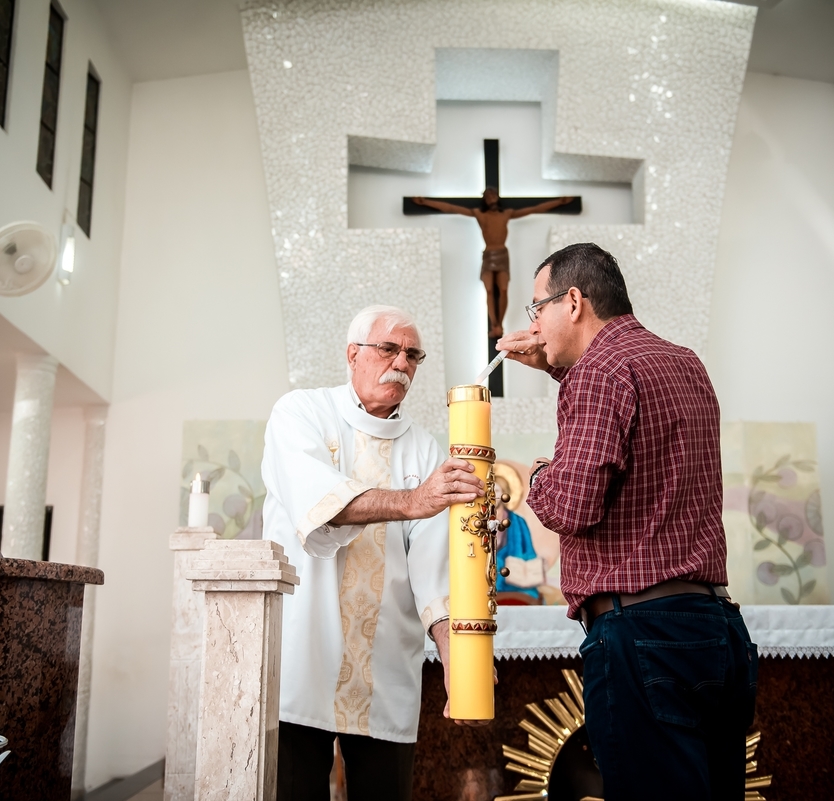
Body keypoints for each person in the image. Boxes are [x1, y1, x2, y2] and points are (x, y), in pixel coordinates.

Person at [497, 243, 758, 801]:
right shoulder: (685, 362)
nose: (534, 326)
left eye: (535, 309)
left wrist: (541, 477)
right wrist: (557, 371)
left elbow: (571, 507)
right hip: (714, 626)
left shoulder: (599, 372)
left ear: (572, 301)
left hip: (643, 634)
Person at [262, 305, 487, 801]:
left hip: (385, 663)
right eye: (389, 348)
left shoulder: (425, 449)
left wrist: (456, 657)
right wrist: (413, 501)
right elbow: (317, 502)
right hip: (302, 652)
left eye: (413, 354)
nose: (402, 363)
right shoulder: (300, 413)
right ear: (353, 354)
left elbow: (436, 571)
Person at [412, 188, 572, 338]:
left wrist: (559, 202)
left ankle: (499, 325)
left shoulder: (506, 214)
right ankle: (494, 324)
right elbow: (451, 208)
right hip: (489, 254)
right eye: (488, 197)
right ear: (485, 201)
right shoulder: (480, 214)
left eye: (493, 195)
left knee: (502, 289)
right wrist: (426, 202)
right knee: (489, 290)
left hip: (502, 254)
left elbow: (534, 209)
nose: (491, 198)